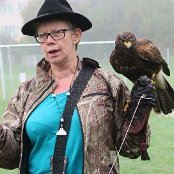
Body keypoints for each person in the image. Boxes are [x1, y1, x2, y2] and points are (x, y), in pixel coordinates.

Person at [0, 0, 156, 174]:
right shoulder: (26, 92)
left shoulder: (106, 84)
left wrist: (140, 114)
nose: (49, 41)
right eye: (42, 35)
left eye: (57, 32)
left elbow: (131, 149)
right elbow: (10, 157)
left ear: (76, 35)